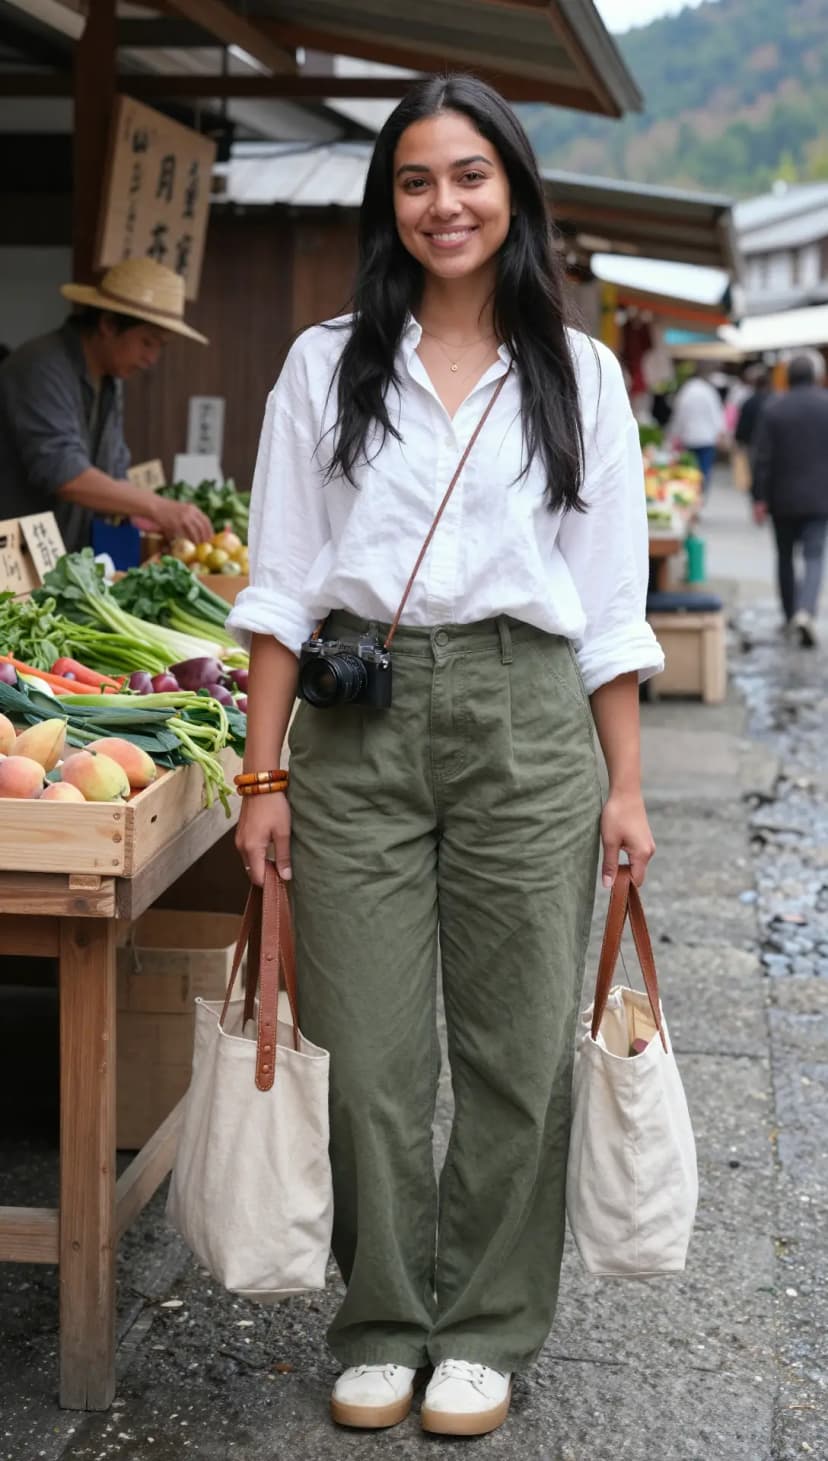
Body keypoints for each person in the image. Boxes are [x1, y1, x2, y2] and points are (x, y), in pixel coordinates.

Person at [230, 74, 663, 1439]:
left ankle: (482, 1325)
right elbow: (282, 580)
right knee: (358, 1045)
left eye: (470, 176)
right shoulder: (328, 362)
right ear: (390, 204)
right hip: (359, 715)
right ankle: (381, 1315)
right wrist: (261, 773)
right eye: (416, 181)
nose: (445, 204)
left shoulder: (580, 372)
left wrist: (630, 786)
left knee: (520, 1041)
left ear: (515, 192)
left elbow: (606, 606)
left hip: (533, 722)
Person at [0, 257, 212, 552]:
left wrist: (138, 511)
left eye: (160, 346)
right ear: (109, 325)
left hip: (61, 553)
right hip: (14, 559)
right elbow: (66, 474)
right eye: (147, 342)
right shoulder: (40, 366)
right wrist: (157, 507)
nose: (151, 359)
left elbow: (113, 470)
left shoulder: (110, 379)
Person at [752, 353, 828, 647]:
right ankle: (806, 611)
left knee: (784, 557)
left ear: (788, 378)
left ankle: (788, 615)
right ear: (815, 376)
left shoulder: (774, 408)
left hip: (781, 498)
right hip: (820, 498)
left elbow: (762, 458)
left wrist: (759, 498)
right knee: (814, 556)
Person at [667, 362, 725, 498]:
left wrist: (674, 434)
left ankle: (692, 499)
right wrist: (721, 432)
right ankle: (699, 499)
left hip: (689, 438)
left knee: (689, 473)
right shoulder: (708, 391)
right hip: (706, 438)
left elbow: (679, 416)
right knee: (703, 472)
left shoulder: (685, 391)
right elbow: (716, 414)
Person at [732, 366, 772, 492]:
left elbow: (742, 424)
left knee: (754, 470)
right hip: (769, 444)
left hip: (752, 443)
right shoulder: (774, 400)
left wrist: (738, 440)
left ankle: (756, 494)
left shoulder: (749, 402)